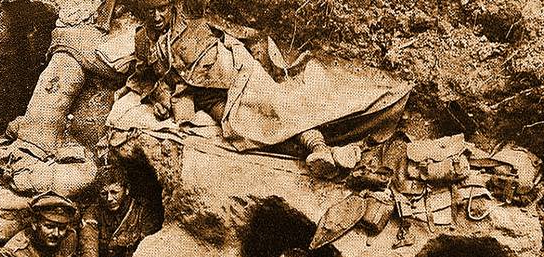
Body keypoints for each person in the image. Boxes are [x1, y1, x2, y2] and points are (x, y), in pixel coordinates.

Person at [111, 0, 407, 178]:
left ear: (172, 6)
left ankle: (317, 144)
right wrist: (159, 94)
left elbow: (239, 40)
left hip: (236, 72)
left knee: (274, 108)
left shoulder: (195, 22)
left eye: (162, 8)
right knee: (243, 131)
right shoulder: (142, 39)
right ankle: (317, 154)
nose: (157, 16)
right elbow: (143, 74)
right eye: (150, 11)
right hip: (204, 94)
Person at [79, 165, 161, 257]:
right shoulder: (94, 212)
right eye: (104, 194)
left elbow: (145, 251)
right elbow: (88, 249)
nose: (109, 198)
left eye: (114, 192)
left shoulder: (142, 211)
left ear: (127, 190)